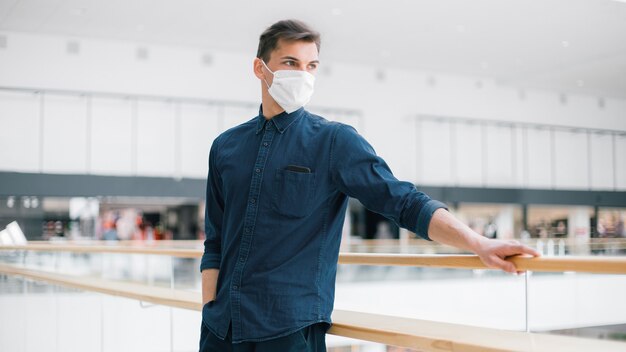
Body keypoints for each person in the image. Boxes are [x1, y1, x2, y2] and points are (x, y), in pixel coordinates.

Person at [199, 19, 540, 352]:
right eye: (290, 63)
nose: (302, 75)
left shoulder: (334, 142)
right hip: (220, 329)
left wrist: (477, 242)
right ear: (260, 68)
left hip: (289, 331)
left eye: (311, 65)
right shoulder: (226, 147)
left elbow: (404, 202)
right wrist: (209, 308)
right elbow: (215, 242)